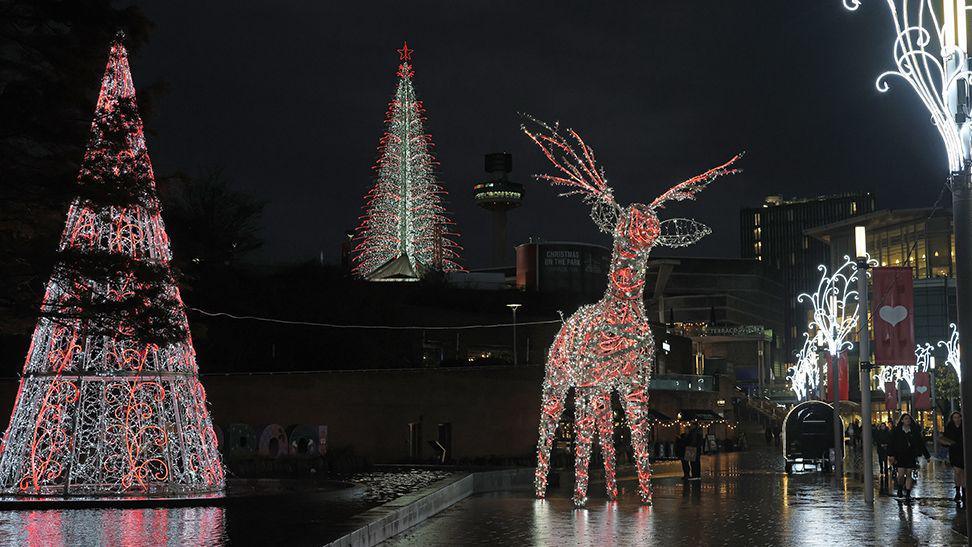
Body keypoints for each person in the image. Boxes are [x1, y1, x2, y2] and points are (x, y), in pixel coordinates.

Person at [889, 413, 930, 501]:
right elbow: (892, 443)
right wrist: (891, 455)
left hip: (911, 455)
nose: (908, 420)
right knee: (900, 474)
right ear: (902, 420)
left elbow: (920, 443)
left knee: (909, 474)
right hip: (900, 455)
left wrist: (927, 455)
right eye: (906, 419)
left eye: (909, 419)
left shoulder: (914, 431)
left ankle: (908, 493)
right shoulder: (897, 430)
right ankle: (900, 487)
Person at [941, 411, 966, 502]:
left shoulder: (964, 426)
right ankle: (958, 491)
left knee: (963, 472)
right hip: (954, 451)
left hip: (963, 451)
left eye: (958, 417)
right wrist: (948, 444)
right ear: (952, 419)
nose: (957, 419)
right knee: (957, 471)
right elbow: (944, 438)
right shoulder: (949, 427)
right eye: (955, 417)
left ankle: (964, 491)